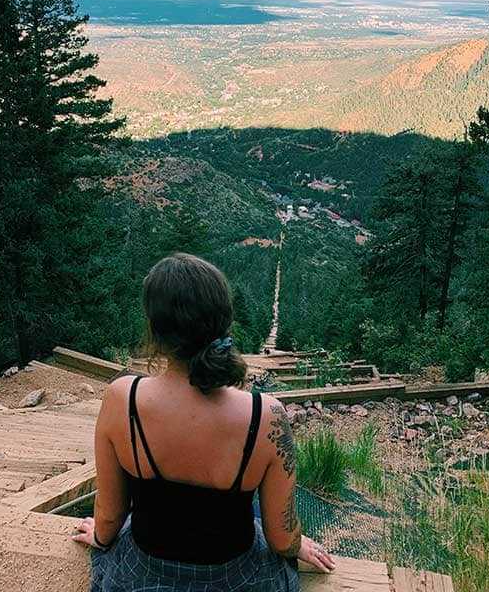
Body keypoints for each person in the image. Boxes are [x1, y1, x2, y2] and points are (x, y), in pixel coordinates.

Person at [74, 253, 335, 590]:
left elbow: (109, 520)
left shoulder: (122, 399)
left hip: (144, 576)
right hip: (236, 579)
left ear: (154, 328)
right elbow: (281, 538)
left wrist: (98, 534)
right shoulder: (266, 416)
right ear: (223, 322)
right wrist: (298, 545)